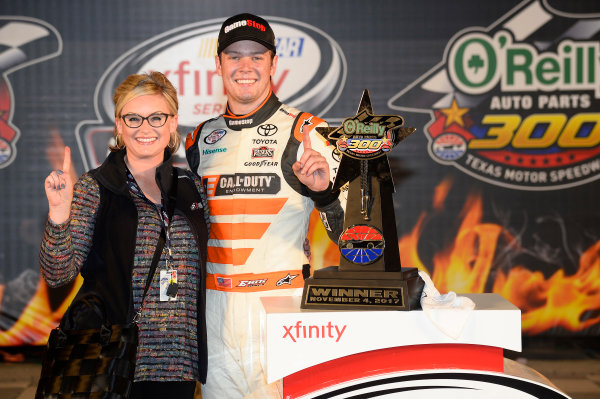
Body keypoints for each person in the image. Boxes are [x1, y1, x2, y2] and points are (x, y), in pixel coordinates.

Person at [185, 13, 344, 399]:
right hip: (213, 317)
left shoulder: (308, 131)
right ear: (219, 64)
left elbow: (358, 239)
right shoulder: (197, 141)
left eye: (257, 56)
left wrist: (324, 193)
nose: (245, 66)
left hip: (283, 312)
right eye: (234, 56)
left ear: (274, 64)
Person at [39, 72, 209, 399]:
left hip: (179, 368)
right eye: (133, 118)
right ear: (119, 125)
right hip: (114, 363)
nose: (145, 128)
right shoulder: (95, 188)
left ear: (173, 123)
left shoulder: (192, 188)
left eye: (156, 117)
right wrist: (59, 215)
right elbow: (56, 274)